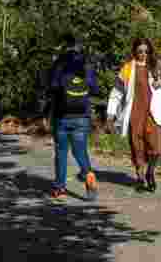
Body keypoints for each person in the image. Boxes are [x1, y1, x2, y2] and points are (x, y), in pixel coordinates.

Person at [107, 38, 161, 193]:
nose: (143, 54)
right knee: (137, 147)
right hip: (135, 112)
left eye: (146, 51)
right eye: (140, 51)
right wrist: (110, 115)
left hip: (153, 113)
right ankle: (140, 177)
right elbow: (116, 93)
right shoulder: (128, 68)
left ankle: (150, 173)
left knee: (156, 149)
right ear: (135, 52)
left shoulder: (156, 65)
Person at [46, 33, 99, 200]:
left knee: (61, 151)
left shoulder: (59, 63)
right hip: (82, 115)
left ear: (65, 45)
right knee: (80, 150)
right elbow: (94, 88)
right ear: (80, 45)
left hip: (62, 115)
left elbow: (52, 86)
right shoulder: (86, 64)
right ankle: (88, 174)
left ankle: (60, 188)